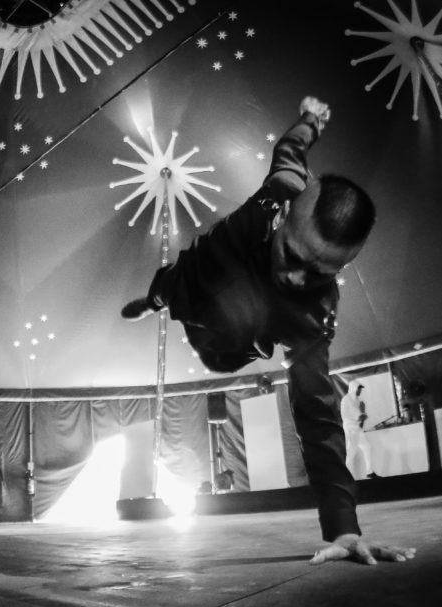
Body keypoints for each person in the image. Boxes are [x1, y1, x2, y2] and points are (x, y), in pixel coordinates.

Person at [121, 95, 414, 566]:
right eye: (293, 256)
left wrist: (343, 527)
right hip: (192, 280)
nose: (297, 278)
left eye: (319, 272)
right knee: (165, 288)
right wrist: (310, 119)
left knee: (232, 345)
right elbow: (291, 147)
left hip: (229, 341)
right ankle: (152, 302)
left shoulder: (313, 312)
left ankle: (188, 311)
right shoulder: (283, 184)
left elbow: (318, 416)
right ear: (284, 212)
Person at [340, 380, 379, 479]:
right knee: (351, 453)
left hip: (357, 429)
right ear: (353, 388)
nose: (360, 391)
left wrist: (362, 413)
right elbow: (344, 415)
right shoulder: (346, 399)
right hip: (350, 429)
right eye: (359, 389)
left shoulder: (358, 401)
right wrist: (358, 416)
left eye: (360, 389)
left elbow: (361, 418)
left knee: (367, 447)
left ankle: (369, 472)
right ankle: (348, 477)